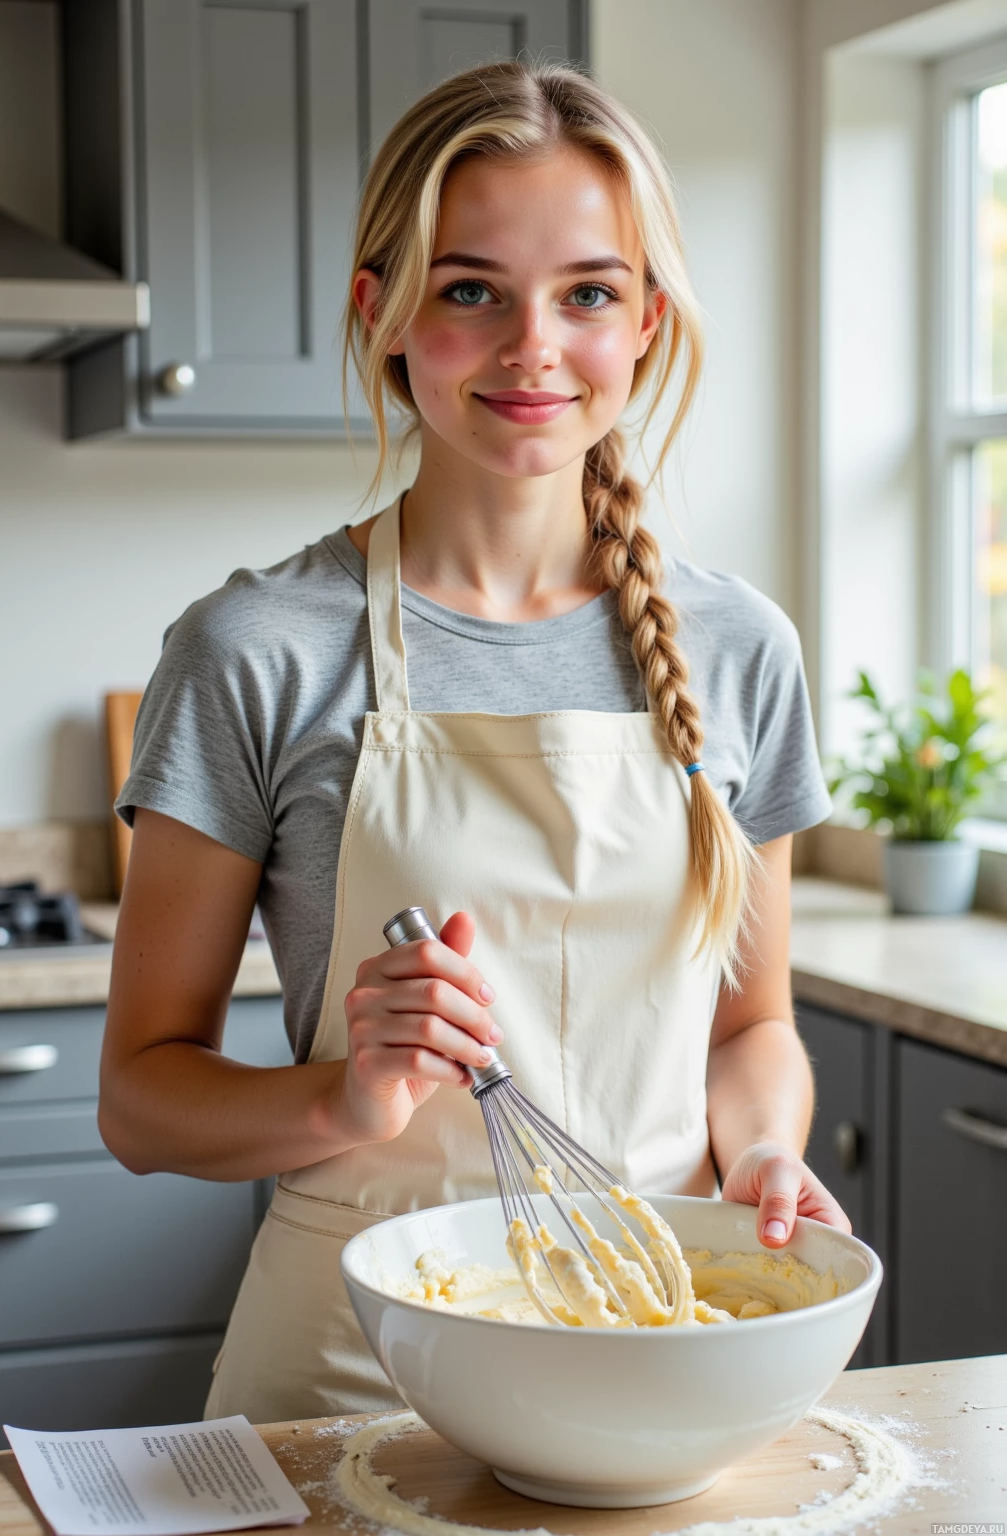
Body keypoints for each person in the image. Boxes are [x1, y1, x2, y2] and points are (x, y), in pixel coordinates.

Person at [100, 60, 847, 1424]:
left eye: (587, 293)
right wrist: (347, 1099)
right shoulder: (256, 649)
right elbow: (142, 1104)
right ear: (378, 313)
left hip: (661, 1347)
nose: (532, 349)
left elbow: (754, 1026)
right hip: (345, 1378)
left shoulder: (743, 649)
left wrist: (765, 1153)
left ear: (647, 323)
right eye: (470, 289)